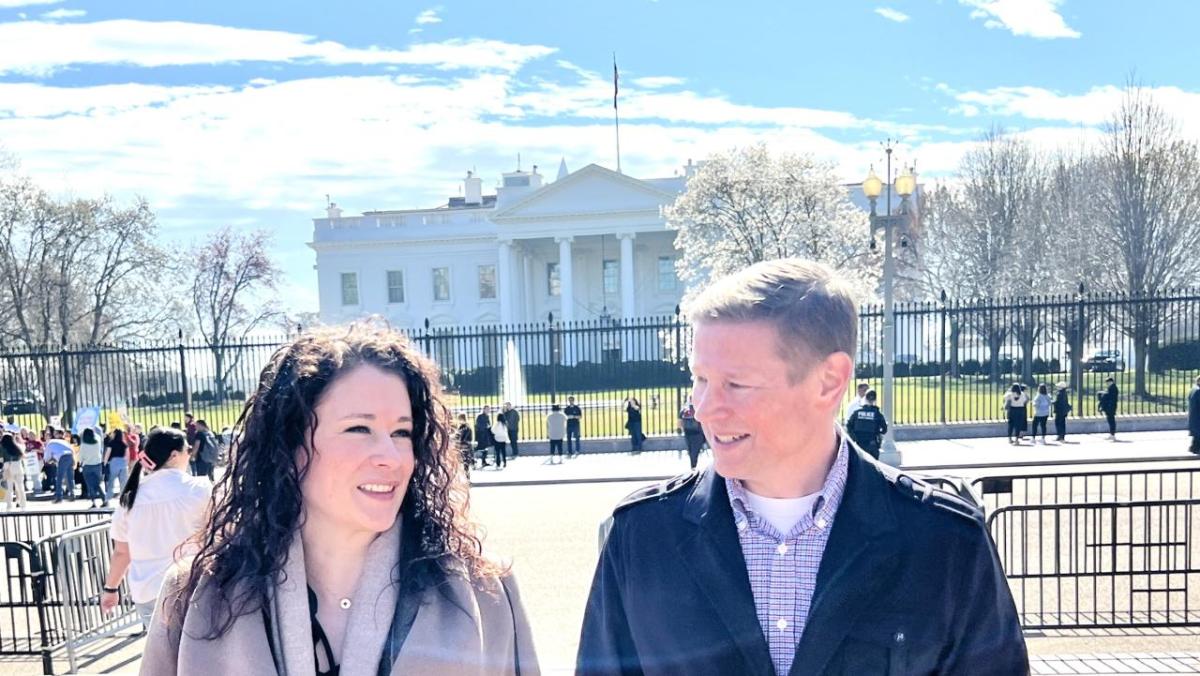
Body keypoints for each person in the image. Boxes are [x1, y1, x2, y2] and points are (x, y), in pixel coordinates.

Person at [577, 258, 1026, 674]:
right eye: (700, 379)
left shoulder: (946, 542)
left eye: (736, 383)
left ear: (829, 381)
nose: (704, 409)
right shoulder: (642, 538)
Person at [138, 323, 537, 675]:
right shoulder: (196, 596)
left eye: (401, 433)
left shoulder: (488, 591)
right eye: (359, 429)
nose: (391, 457)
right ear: (288, 447)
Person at [100, 427, 213, 631]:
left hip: (148, 589)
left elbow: (121, 553)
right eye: (187, 449)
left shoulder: (130, 498)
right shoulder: (200, 489)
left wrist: (111, 588)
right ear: (174, 455)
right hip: (193, 584)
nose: (189, 453)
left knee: (160, 658)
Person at [845, 389, 888, 459]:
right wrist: (878, 432)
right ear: (875, 400)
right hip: (872, 444)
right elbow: (884, 429)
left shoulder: (857, 412)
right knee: (873, 466)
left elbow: (849, 425)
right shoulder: (877, 414)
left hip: (859, 444)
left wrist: (854, 437)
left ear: (865, 398)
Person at [46, 427, 75, 503]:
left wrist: (49, 461)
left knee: (59, 477)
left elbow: (47, 457)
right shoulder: (65, 442)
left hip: (62, 458)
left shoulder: (50, 443)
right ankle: (72, 494)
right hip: (70, 456)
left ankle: (59, 497)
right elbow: (71, 450)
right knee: (70, 477)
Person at [78, 427, 106, 508]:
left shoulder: (83, 445)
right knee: (98, 484)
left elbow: (81, 457)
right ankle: (104, 499)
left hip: (87, 466)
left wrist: (80, 463)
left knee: (90, 485)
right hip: (97, 464)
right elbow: (98, 436)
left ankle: (93, 502)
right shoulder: (97, 442)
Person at [104, 428, 131, 506]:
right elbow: (127, 454)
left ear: (115, 434)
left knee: (111, 481)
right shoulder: (124, 444)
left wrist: (105, 462)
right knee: (123, 482)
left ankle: (107, 499)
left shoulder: (111, 443)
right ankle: (124, 499)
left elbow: (108, 453)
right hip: (123, 462)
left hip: (114, 462)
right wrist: (127, 463)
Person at [678, 398, 706, 470]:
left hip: (687, 432)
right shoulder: (699, 408)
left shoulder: (684, 409)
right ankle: (693, 465)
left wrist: (680, 429)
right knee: (695, 450)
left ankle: (693, 465)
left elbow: (680, 420)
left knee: (690, 449)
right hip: (697, 433)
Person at [2, 432, 27, 510]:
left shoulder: (2, 447)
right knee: (20, 487)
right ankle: (23, 505)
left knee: (9, 488)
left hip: (8, 466)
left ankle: (9, 505)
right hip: (18, 466)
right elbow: (23, 456)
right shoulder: (17, 447)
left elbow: (1, 458)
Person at [1189, 375, 1200, 455]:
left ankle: (1193, 448)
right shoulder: (1198, 391)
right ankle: (1194, 448)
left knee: (1197, 436)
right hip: (1198, 417)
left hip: (1194, 416)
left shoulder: (1193, 389)